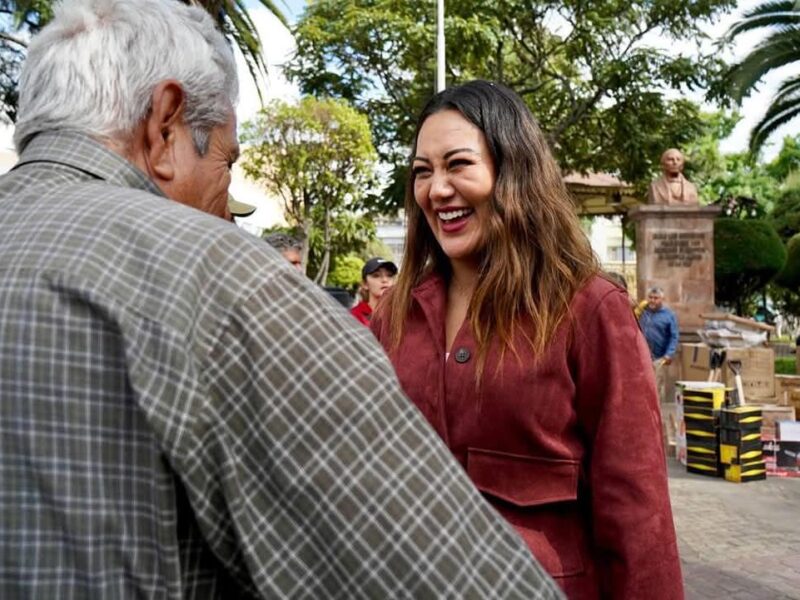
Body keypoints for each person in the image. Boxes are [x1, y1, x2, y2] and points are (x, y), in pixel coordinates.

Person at [0, 5, 562, 598]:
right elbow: (444, 577)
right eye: (226, 162)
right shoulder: (222, 279)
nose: (225, 203)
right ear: (165, 126)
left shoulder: (583, 306)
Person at [372, 80, 683, 599]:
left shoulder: (588, 309)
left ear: (513, 171)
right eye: (422, 172)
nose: (437, 189)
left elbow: (637, 510)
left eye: (458, 165)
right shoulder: (396, 316)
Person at [639, 286, 680, 402]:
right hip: (641, 357)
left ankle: (655, 416)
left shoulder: (669, 315)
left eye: (656, 298)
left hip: (658, 359)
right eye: (650, 297)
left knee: (655, 389)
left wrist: (669, 354)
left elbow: (674, 336)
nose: (652, 300)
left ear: (662, 299)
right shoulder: (643, 312)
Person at [350, 257, 398, 325]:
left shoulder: (400, 315)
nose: (385, 280)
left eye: (389, 275)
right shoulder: (353, 316)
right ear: (365, 284)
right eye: (376, 275)